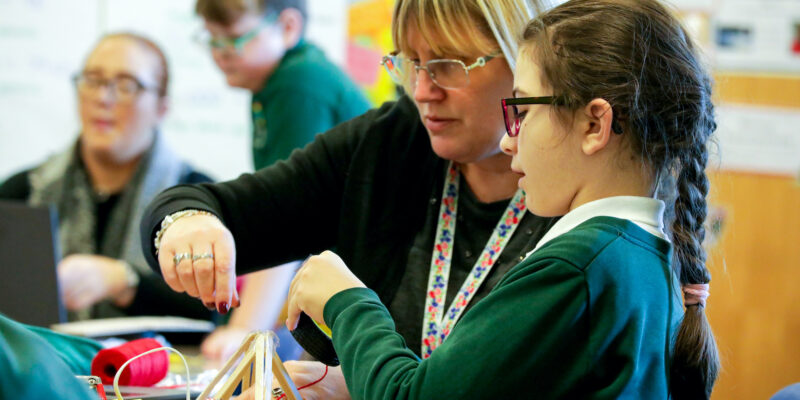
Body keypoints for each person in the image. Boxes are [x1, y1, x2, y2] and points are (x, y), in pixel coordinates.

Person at [284, 0, 721, 398]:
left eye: (524, 112)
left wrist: (347, 302)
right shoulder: (639, 256)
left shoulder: (576, 269)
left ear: (594, 126)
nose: (511, 142)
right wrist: (361, 383)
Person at [141, 0, 555, 397]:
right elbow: (214, 206)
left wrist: (361, 386)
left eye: (449, 66)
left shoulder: (581, 193)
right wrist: (186, 221)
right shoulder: (390, 141)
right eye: (410, 63)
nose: (423, 90)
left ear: (524, 62)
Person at [192, 0, 371, 362]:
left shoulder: (297, 83)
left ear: (288, 27)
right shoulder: (276, 81)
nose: (220, 55)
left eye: (234, 39)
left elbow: (286, 221)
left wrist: (244, 331)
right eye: (212, 40)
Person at [0, 33, 215, 323]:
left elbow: (218, 308)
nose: (103, 97)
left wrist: (125, 282)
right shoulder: (24, 192)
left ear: (162, 108)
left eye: (127, 86)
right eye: (92, 80)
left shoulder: (197, 201)